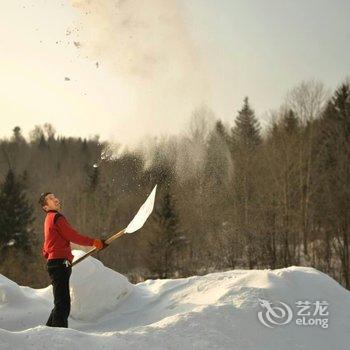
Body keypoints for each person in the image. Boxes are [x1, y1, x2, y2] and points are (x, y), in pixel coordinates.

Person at [38, 192, 107, 328]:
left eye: (55, 196)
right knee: (63, 304)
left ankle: (47, 332)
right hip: (59, 263)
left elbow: (47, 246)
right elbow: (72, 236)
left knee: (60, 302)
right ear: (45, 207)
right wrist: (94, 242)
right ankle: (59, 336)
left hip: (56, 263)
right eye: (50, 199)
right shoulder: (56, 217)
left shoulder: (48, 219)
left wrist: (52, 257)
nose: (56, 199)